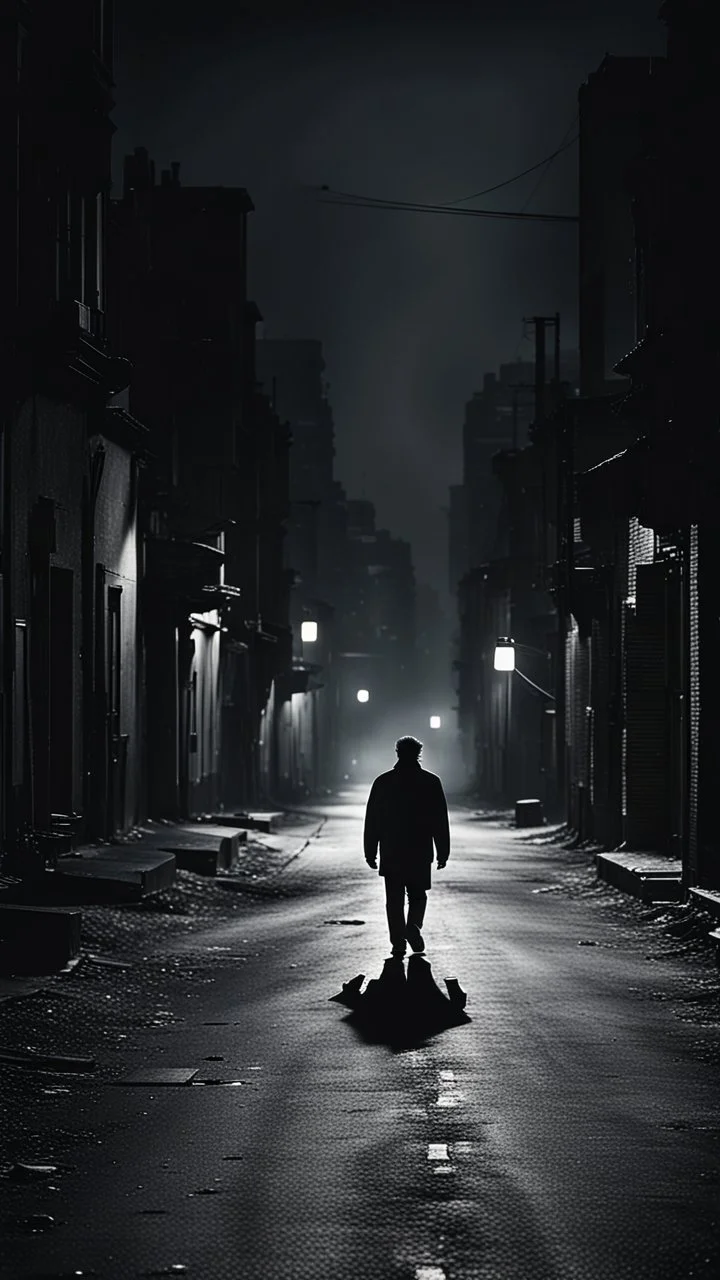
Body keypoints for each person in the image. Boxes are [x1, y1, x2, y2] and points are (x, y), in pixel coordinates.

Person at [363, 735, 450, 958]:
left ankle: (398, 943)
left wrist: (370, 851)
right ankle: (413, 927)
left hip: (392, 850)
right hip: (420, 850)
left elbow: (372, 819)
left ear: (398, 753)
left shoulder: (383, 782)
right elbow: (440, 820)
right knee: (418, 896)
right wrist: (442, 851)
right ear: (418, 754)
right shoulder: (431, 782)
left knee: (394, 900)